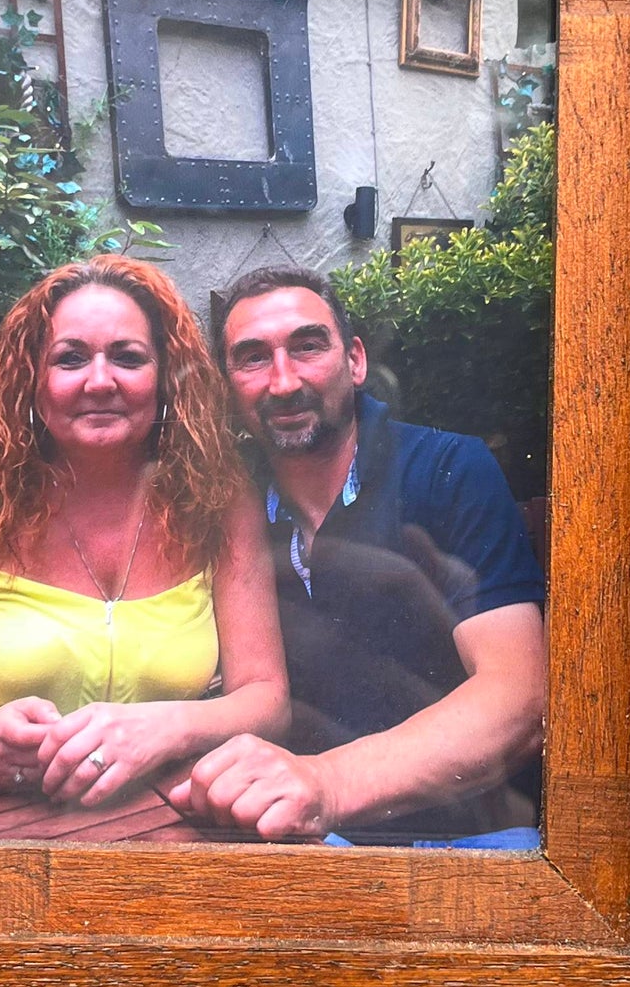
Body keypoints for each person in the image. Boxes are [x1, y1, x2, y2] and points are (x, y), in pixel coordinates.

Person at [167, 267, 546, 846]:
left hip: (464, 840)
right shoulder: (228, 506)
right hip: (294, 840)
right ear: (226, 386)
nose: (283, 382)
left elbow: (518, 699)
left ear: (356, 361)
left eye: (308, 346)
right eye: (253, 358)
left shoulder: (446, 470)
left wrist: (328, 783)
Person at [0, 257, 288, 808]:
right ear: (32, 381)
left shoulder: (217, 503)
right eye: (70, 358)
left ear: (165, 378)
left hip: (159, 826)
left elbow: (267, 697)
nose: (99, 381)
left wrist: (165, 729)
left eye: (128, 357)